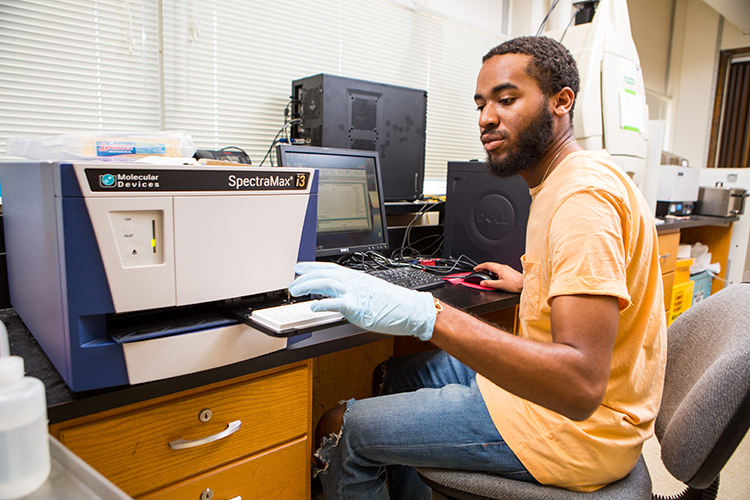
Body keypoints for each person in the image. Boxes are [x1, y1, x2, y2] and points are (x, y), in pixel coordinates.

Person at [289, 35, 667, 499]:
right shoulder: (573, 179)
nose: (488, 118)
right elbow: (597, 282)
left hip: (576, 429)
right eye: (481, 105)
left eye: (507, 100)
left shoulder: (581, 201)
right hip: (596, 411)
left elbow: (578, 384)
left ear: (561, 101)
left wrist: (426, 312)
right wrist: (534, 284)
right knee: (397, 376)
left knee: (340, 429)